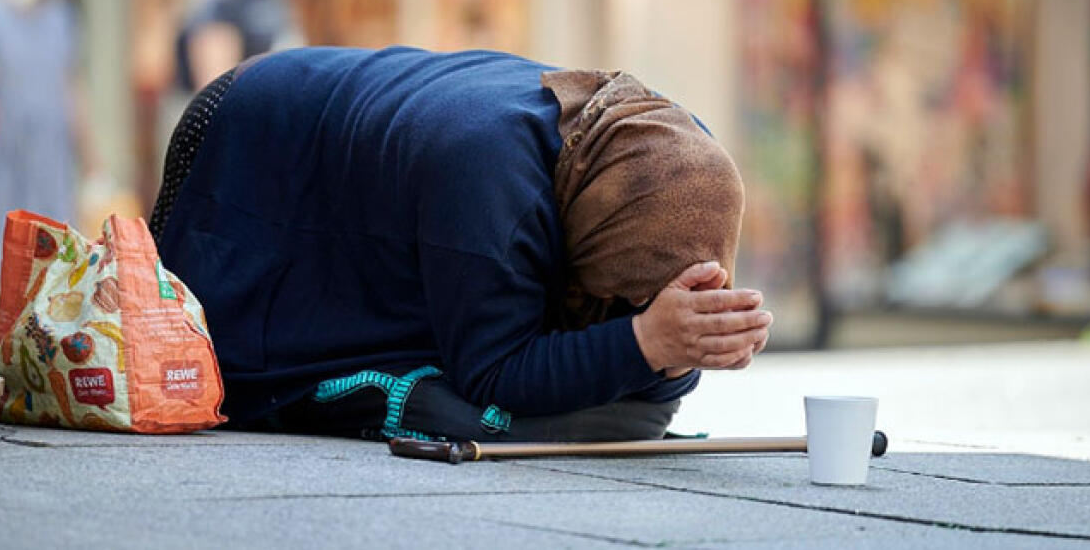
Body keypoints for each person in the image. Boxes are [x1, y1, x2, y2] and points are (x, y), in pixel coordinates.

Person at [151, 47, 769, 442]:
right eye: (627, 296)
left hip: (364, 154)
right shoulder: (494, 180)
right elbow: (493, 369)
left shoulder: (663, 150)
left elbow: (629, 356)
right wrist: (646, 343)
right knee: (203, 352)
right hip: (249, 137)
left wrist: (683, 352)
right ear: (606, 242)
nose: (629, 310)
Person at [0, 0, 96, 292]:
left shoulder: (63, 16)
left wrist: (92, 159)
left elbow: (71, 86)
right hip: (5, 152)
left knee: (55, 250)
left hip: (52, 152)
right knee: (5, 249)